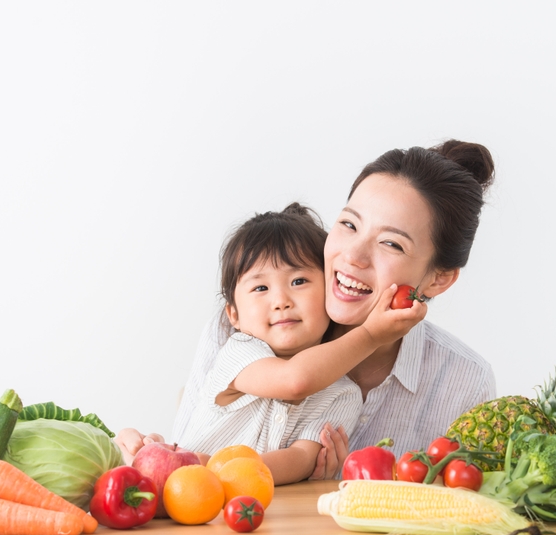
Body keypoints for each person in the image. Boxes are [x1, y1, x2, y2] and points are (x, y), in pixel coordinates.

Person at [120, 139, 496, 479]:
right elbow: (181, 464)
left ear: (439, 279)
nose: (352, 256)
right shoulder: (242, 328)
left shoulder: (463, 380)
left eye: (391, 244)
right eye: (348, 224)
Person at [120, 203, 425, 485]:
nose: (281, 301)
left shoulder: (343, 394)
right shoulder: (239, 352)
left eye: (299, 282)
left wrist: (221, 471)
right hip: (189, 501)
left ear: (331, 292)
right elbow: (294, 380)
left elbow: (302, 457)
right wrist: (371, 334)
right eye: (261, 287)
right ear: (234, 314)